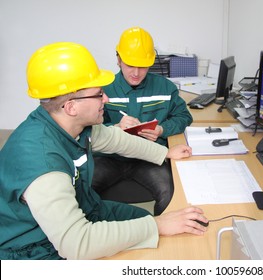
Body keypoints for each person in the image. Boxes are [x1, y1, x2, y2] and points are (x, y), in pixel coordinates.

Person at [0, 42, 207, 260]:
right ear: (71, 107)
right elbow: (77, 244)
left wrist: (164, 153)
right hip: (35, 246)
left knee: (151, 225)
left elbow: (116, 139)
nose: (106, 99)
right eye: (99, 94)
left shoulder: (70, 124)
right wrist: (158, 225)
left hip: (87, 208)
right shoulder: (42, 163)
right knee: (151, 244)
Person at [92, 27, 193, 215]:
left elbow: (184, 116)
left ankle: (166, 236)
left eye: (143, 66)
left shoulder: (165, 87)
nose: (136, 72)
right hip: (109, 158)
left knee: (171, 194)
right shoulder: (103, 89)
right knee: (81, 191)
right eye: (130, 64)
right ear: (118, 59)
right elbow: (89, 129)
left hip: (150, 158)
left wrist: (162, 130)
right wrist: (114, 127)